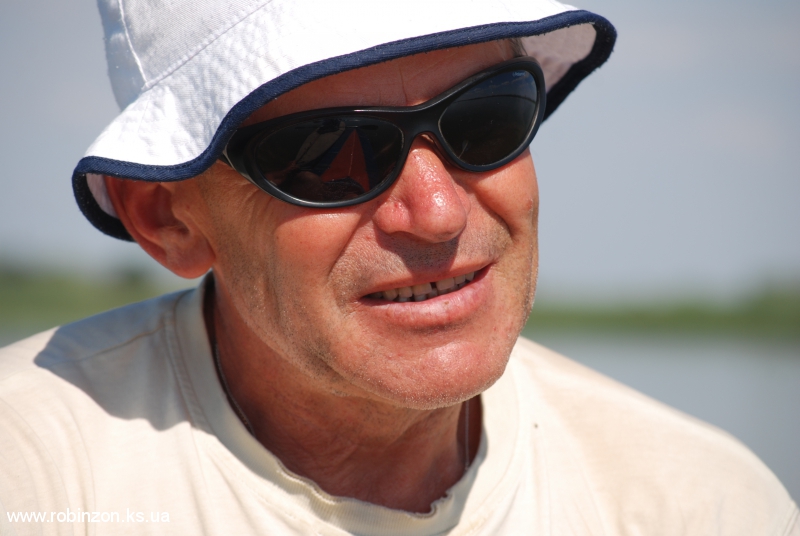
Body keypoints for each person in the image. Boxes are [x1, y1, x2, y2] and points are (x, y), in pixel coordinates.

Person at [1, 1, 797, 534]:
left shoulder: (702, 505)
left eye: (486, 118)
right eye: (330, 152)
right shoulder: (31, 480)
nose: (438, 211)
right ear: (168, 217)